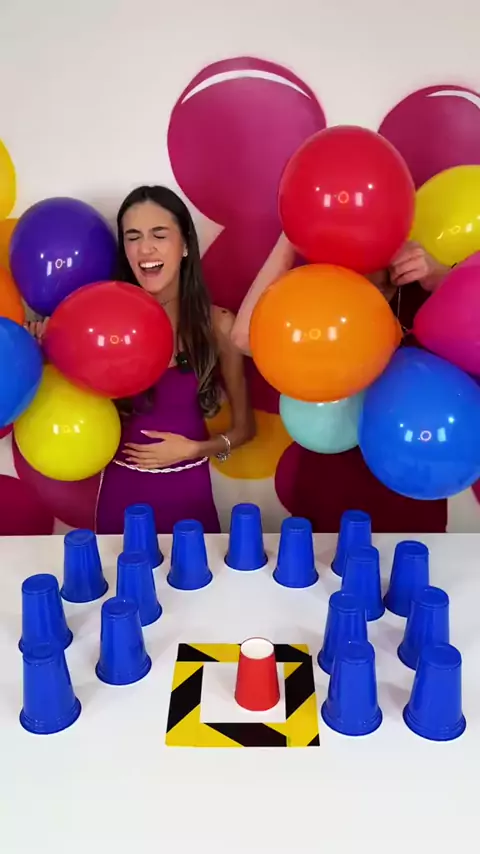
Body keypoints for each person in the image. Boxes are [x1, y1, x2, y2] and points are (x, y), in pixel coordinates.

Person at [29, 186, 255, 533]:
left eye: (159, 235)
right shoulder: (96, 327)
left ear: (185, 245)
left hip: (190, 501)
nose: (145, 248)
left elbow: (244, 429)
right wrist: (43, 349)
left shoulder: (217, 325)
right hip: (120, 501)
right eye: (133, 237)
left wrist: (195, 449)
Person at [231, 234, 451, 534]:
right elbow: (244, 337)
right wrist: (292, 235)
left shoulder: (428, 290)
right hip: (330, 477)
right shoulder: (314, 293)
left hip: (413, 481)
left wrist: (440, 278)